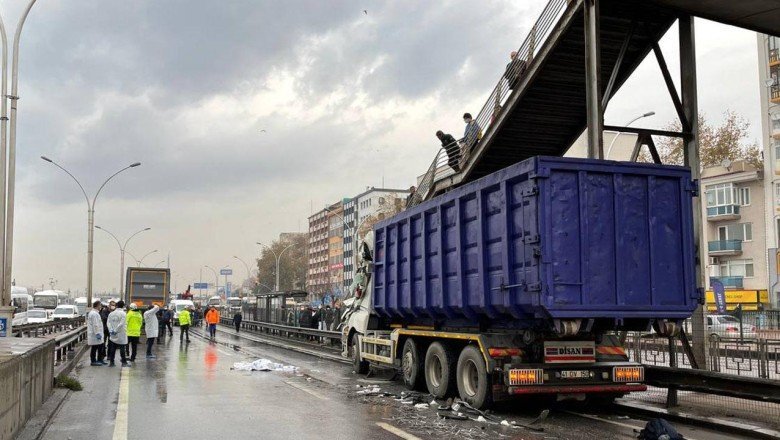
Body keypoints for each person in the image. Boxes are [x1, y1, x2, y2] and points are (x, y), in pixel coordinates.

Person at [107, 300, 129, 367]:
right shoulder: (123, 314)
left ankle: (111, 362)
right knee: (122, 347)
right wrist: (116, 330)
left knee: (113, 348)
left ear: (116, 305)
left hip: (113, 334)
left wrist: (111, 330)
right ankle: (124, 362)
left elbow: (108, 323)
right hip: (121, 333)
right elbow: (121, 324)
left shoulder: (111, 313)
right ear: (123, 306)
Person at [87, 300, 105, 366]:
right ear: (97, 306)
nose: (101, 307)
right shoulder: (94, 314)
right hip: (95, 334)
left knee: (99, 347)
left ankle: (99, 360)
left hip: (97, 333)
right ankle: (93, 361)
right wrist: (97, 333)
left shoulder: (95, 313)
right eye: (100, 305)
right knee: (94, 348)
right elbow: (95, 324)